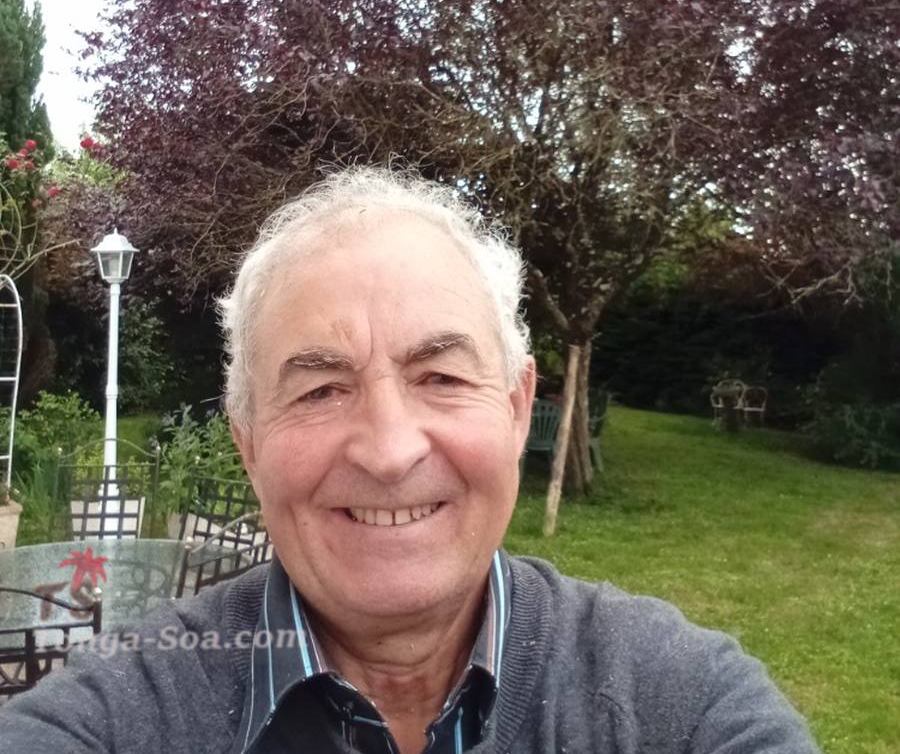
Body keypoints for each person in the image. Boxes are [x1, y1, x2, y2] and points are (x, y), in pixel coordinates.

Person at [0, 166, 822, 754]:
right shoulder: (116, 715)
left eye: (441, 377)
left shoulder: (680, 704)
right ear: (248, 444)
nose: (391, 452)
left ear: (515, 408)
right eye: (321, 389)